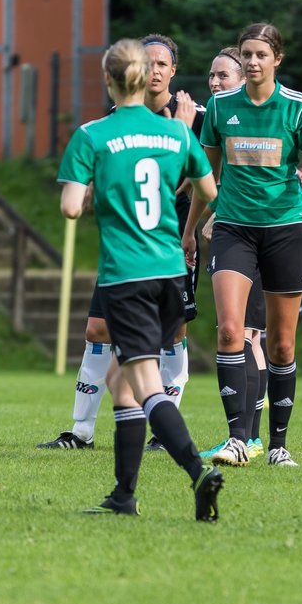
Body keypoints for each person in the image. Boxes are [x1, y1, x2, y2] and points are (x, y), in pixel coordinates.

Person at [57, 37, 222, 518]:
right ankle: (123, 496)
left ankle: (198, 473)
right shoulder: (178, 133)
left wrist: (98, 189)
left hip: (127, 277)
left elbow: (71, 207)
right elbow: (209, 191)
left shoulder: (92, 135)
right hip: (171, 274)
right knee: (121, 383)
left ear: (108, 80)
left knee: (144, 385)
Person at [38, 33, 206, 452]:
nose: (154, 71)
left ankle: (163, 437)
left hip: (173, 240)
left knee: (171, 335)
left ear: (173, 71)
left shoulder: (196, 119)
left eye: (162, 64)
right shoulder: (115, 120)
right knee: (97, 328)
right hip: (125, 244)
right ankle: (80, 431)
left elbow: (210, 181)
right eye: (146, 63)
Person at [183, 23, 302, 468]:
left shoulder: (299, 108)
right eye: (246, 54)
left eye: (260, 55)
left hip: (285, 230)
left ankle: (279, 444)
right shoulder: (220, 107)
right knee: (230, 331)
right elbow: (204, 179)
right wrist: (190, 233)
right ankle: (236, 439)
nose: (251, 62)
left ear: (276, 60)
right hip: (233, 229)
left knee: (281, 345)